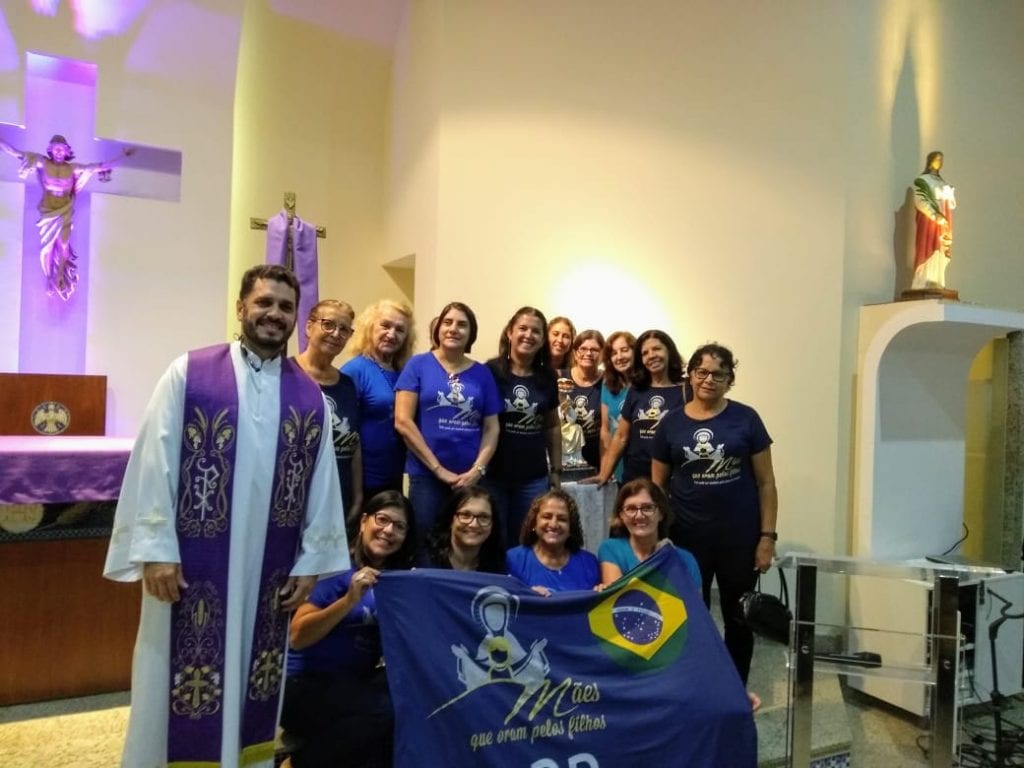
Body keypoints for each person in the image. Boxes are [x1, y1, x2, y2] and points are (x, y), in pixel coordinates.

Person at [103, 264, 348, 768]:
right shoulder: (189, 374)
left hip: (269, 572)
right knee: (168, 677)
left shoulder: (309, 398)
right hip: (189, 569)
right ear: (240, 308)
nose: (274, 314)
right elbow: (153, 461)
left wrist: (311, 563)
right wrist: (156, 550)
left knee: (254, 679)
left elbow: (323, 483)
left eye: (285, 307)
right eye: (264, 303)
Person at [651, 343, 778, 688]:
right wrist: (658, 537)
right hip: (687, 538)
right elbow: (657, 487)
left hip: (740, 538)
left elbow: (767, 483)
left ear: (729, 380)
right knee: (692, 616)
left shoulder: (746, 419)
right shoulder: (671, 423)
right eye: (702, 372)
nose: (709, 379)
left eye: (719, 374)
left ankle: (734, 691)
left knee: (739, 618)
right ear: (691, 375)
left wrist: (767, 537)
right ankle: (698, 689)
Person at [281, 491, 417, 768]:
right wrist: (348, 601)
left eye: (399, 526)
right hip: (304, 684)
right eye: (382, 520)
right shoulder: (335, 568)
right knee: (386, 712)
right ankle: (297, 764)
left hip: (354, 684)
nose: (388, 531)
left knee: (407, 705)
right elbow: (297, 637)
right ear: (364, 521)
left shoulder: (394, 583)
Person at [394, 301, 501, 547]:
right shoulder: (418, 365)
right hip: (427, 476)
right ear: (438, 329)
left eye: (462, 325)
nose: (453, 329)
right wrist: (438, 469)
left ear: (471, 333)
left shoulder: (483, 373)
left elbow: (492, 428)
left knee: (468, 544)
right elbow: (403, 421)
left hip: (469, 479)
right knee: (424, 543)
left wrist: (477, 471)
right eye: (448, 322)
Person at [0, 134, 133, 300]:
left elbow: (99, 167)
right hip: (48, 210)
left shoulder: (73, 168)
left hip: (65, 209)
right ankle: (49, 277)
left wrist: (124, 157)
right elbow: (15, 152)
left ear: (66, 152)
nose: (58, 152)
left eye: (61, 149)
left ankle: (60, 275)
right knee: (47, 247)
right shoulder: (42, 162)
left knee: (63, 243)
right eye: (55, 149)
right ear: (50, 150)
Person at [485, 307, 561, 546]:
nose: (528, 335)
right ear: (510, 332)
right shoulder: (490, 372)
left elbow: (552, 426)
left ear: (543, 339)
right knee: (493, 539)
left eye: (536, 331)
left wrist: (556, 471)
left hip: (533, 478)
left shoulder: (548, 377)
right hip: (493, 476)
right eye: (523, 328)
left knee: (527, 540)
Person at [341, 299, 416, 499]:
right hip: (362, 482)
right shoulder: (355, 370)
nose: (391, 334)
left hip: (394, 478)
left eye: (400, 330)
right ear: (370, 327)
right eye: (385, 326)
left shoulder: (405, 372)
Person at [594, 330, 687, 485]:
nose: (651, 355)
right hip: (635, 477)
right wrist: (604, 474)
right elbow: (621, 436)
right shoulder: (636, 390)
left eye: (657, 349)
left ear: (669, 351)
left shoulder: (686, 390)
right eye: (645, 353)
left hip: (673, 479)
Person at [295, 299, 362, 514]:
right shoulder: (285, 374)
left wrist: (357, 496)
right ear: (309, 327)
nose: (336, 334)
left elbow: (354, 444)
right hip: (294, 494)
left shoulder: (348, 385)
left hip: (339, 496)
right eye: (328, 325)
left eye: (344, 329)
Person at [597, 478, 701, 588]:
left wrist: (668, 558)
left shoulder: (685, 559)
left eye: (647, 508)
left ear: (661, 513)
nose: (639, 516)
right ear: (621, 515)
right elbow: (617, 596)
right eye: (631, 509)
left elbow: (693, 598)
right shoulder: (611, 549)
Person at [506, 489, 600, 594]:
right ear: (534, 523)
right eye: (547, 517)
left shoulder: (589, 563)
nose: (553, 524)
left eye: (562, 519)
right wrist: (527, 594)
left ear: (571, 528)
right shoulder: (513, 560)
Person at [421, 486, 505, 573]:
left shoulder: (499, 567)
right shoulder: (425, 564)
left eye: (484, 517)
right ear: (450, 520)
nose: (474, 525)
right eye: (465, 515)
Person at [558, 330, 605, 469]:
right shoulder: (560, 378)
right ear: (574, 353)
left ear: (602, 354)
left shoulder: (608, 381)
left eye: (594, 350)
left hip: (598, 458)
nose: (588, 353)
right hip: (564, 456)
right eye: (583, 349)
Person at [911, 150, 957, 290]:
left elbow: (951, 205)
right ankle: (922, 282)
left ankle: (937, 281)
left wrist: (950, 194)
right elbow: (920, 200)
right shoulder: (922, 180)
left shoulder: (943, 183)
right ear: (930, 161)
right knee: (929, 247)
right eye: (937, 159)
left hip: (942, 224)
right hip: (929, 223)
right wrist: (934, 214)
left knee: (940, 251)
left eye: (942, 160)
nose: (940, 162)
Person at [599, 331, 636, 484]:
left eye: (624, 350)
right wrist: (605, 469)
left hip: (640, 462)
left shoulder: (646, 385)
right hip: (617, 464)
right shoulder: (607, 384)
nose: (619, 357)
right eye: (614, 353)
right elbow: (605, 429)